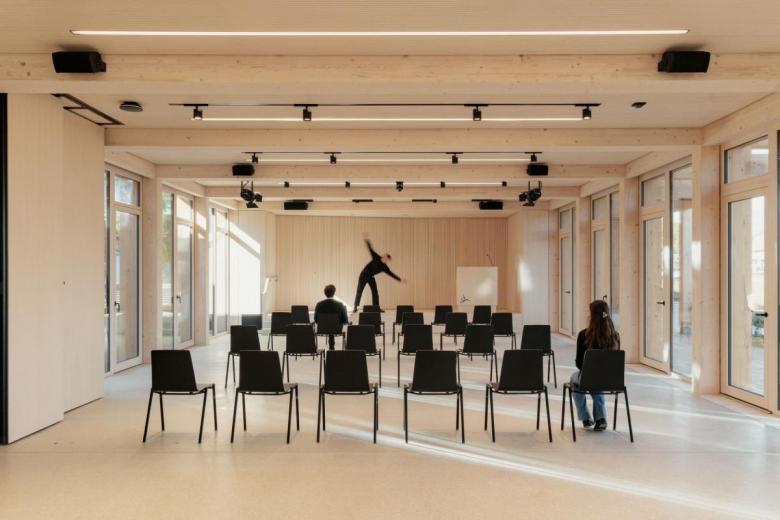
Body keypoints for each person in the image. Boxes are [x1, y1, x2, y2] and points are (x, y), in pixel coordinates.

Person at [571, 299, 621, 431]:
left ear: (592, 315)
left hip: (590, 378)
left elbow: (579, 364)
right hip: (611, 380)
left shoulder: (584, 335)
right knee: (597, 381)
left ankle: (586, 418)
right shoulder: (615, 336)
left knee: (575, 380)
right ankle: (600, 418)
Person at [353, 233, 406, 311]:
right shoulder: (376, 257)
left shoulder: (384, 267)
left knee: (375, 292)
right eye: (386, 258)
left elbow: (391, 274)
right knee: (359, 291)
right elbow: (370, 249)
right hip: (363, 275)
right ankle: (355, 307)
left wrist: (400, 279)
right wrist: (366, 239)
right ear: (383, 256)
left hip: (371, 277)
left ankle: (376, 308)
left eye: (388, 260)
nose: (386, 261)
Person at [314, 284, 349, 350]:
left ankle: (331, 348)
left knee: (329, 327)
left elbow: (316, 319)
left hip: (323, 329)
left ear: (325, 293)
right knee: (333, 327)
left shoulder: (319, 305)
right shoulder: (340, 305)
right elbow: (345, 320)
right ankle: (333, 348)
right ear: (334, 293)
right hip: (337, 329)